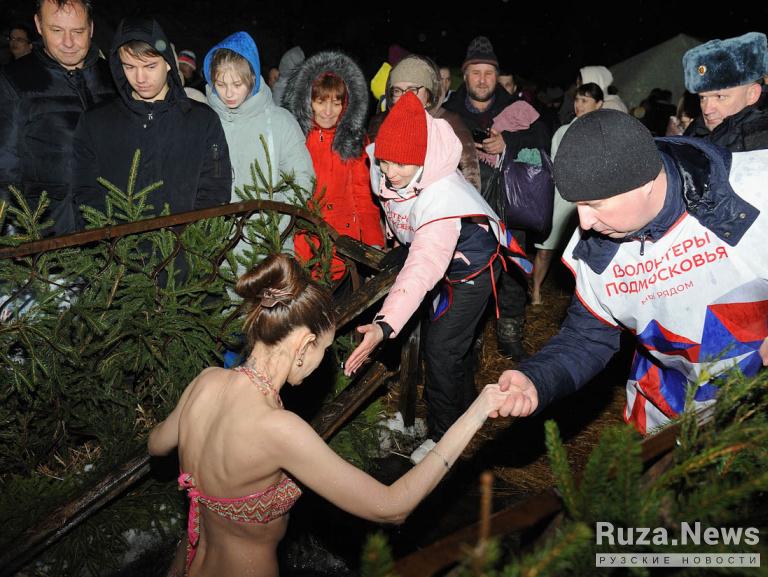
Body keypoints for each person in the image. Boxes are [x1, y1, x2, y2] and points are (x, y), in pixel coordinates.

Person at [148, 253, 511, 577]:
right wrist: (476, 412)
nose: (323, 361)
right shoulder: (278, 429)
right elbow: (391, 507)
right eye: (324, 348)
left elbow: (156, 444)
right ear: (305, 344)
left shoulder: (207, 382)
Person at [494, 109, 768, 435]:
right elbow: (586, 338)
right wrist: (537, 379)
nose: (584, 223)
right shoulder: (596, 250)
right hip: (668, 411)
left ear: (646, 183)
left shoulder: (755, 188)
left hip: (757, 411)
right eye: (577, 205)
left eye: (595, 205)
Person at [344, 93, 530, 463]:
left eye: (401, 163)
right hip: (437, 257)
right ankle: (467, 413)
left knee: (442, 348)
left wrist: (385, 324)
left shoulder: (442, 197)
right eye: (385, 161)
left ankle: (445, 439)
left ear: (422, 158)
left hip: (471, 265)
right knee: (448, 343)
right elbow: (396, 210)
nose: (390, 171)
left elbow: (425, 264)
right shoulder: (386, 167)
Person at [444, 36, 550, 360]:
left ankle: (510, 331)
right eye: (475, 72)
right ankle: (471, 334)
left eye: (488, 73)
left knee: (513, 268)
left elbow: (542, 137)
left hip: (509, 203)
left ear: (497, 75)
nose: (482, 80)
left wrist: (507, 143)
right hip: (466, 207)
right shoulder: (450, 111)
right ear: (465, 75)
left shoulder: (514, 107)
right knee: (468, 271)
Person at [71, 17, 231, 223]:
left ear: (168, 63)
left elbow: (216, 187)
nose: (140, 78)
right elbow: (85, 192)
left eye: (150, 66)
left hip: (187, 242)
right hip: (117, 243)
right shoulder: (95, 122)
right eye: (129, 67)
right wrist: (111, 236)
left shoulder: (202, 120)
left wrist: (194, 237)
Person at [0, 0, 115, 235]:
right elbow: (4, 166)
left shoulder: (115, 76)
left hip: (117, 227)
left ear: (91, 28)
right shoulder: (13, 80)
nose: (69, 42)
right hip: (49, 232)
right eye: (57, 30)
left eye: (78, 31)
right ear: (39, 25)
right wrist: (12, 234)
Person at [203, 32, 314, 260]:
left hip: (268, 246)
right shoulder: (204, 122)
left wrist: (273, 217)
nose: (229, 93)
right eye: (221, 84)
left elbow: (303, 179)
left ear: (252, 79)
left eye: (237, 84)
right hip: (216, 251)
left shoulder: (280, 122)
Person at [283, 50, 384, 283]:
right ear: (308, 101)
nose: (328, 112)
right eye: (320, 102)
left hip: (343, 244)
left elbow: (363, 196)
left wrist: (373, 244)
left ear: (346, 104)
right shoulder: (294, 138)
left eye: (336, 103)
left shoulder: (353, 140)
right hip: (303, 245)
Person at [531, 82, 604, 306]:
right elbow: (554, 165)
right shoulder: (563, 131)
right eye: (577, 100)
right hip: (562, 197)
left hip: (590, 199)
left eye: (585, 100)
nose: (579, 105)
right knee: (546, 249)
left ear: (598, 104)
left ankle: (584, 296)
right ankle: (535, 290)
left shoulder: (603, 133)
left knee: (584, 250)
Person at [368, 54, 481, 191]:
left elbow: (471, 185)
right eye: (397, 90)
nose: (404, 97)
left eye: (412, 90)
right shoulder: (379, 123)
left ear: (429, 95)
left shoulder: (449, 124)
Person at [682, 31, 768, 151]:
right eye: (703, 98)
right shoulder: (696, 129)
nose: (707, 110)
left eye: (720, 97)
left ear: (752, 94)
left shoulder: (761, 139)